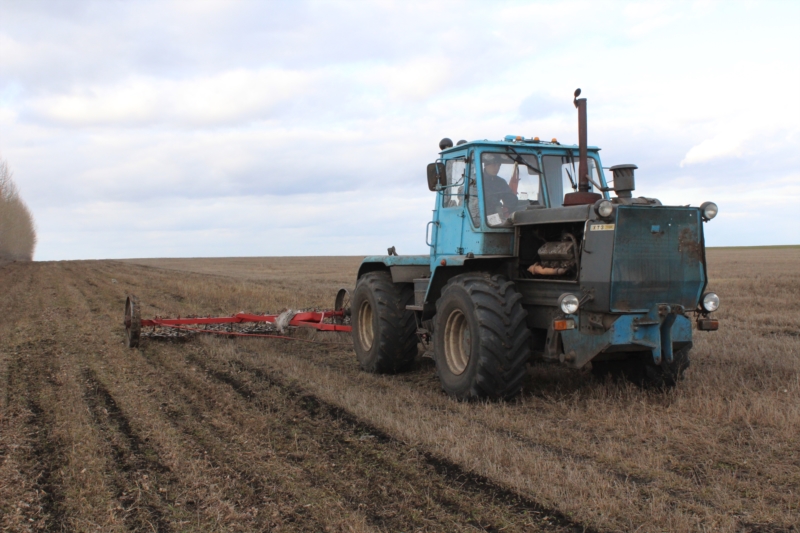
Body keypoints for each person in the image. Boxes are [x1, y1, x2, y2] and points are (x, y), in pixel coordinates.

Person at [482, 154, 519, 221]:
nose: (497, 168)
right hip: (480, 215)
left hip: (494, 215)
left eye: (499, 165)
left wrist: (509, 204)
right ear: (486, 165)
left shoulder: (500, 182)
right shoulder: (476, 181)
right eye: (494, 165)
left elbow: (509, 198)